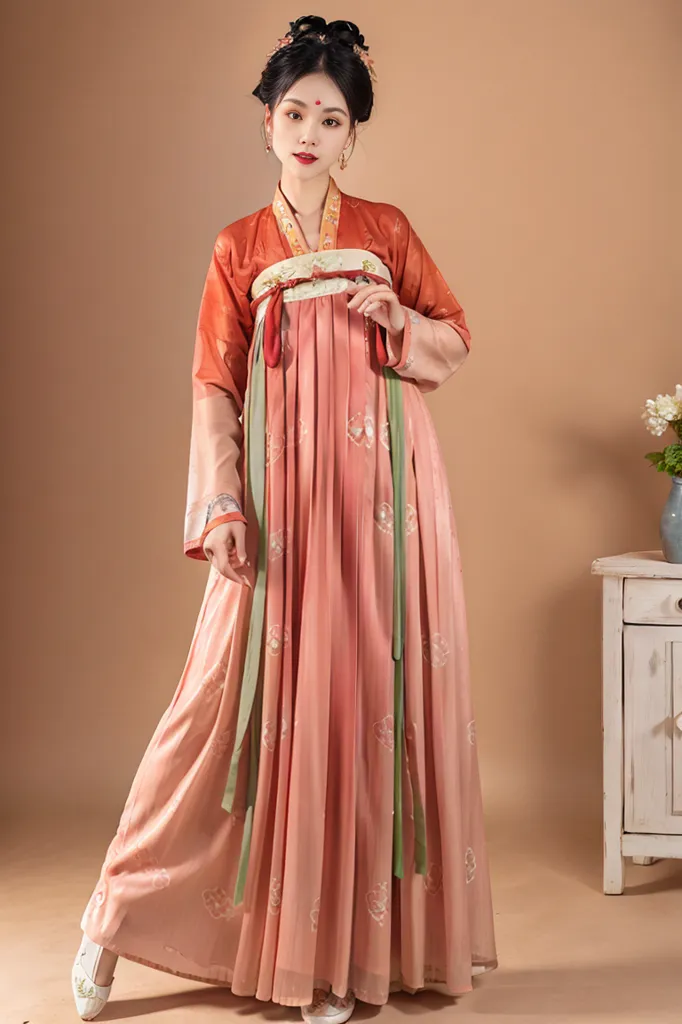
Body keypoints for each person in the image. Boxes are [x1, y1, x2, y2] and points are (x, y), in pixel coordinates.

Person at [71, 15, 498, 1023]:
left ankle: (333, 958)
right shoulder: (238, 246)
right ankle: (109, 919)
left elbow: (454, 335)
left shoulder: (385, 229)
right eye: (295, 111)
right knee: (218, 709)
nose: (310, 130)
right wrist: (221, 502)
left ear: (354, 135)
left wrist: (398, 319)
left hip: (388, 510)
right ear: (267, 123)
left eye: (332, 117)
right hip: (279, 513)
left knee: (364, 710)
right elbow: (212, 386)